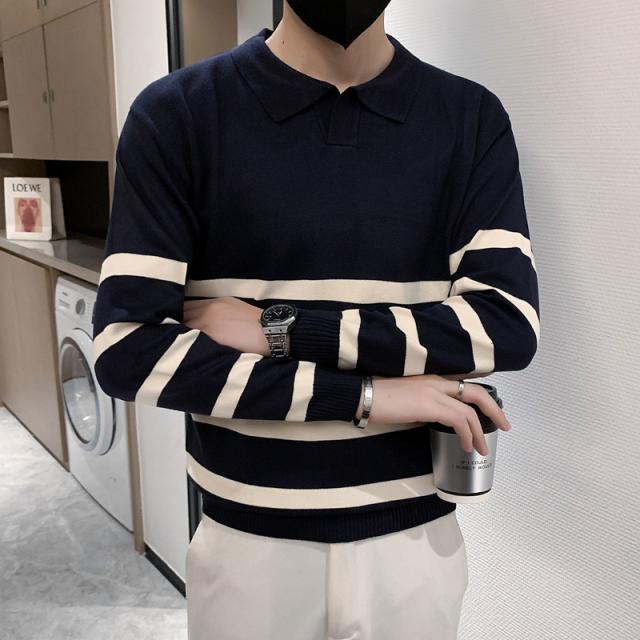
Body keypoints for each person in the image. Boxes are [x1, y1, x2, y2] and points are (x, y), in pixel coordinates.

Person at [92, 1, 540, 638]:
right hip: (247, 546)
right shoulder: (179, 113)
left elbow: (505, 326)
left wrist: (280, 329)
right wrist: (370, 396)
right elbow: (129, 349)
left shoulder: (468, 117)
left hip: (415, 548)